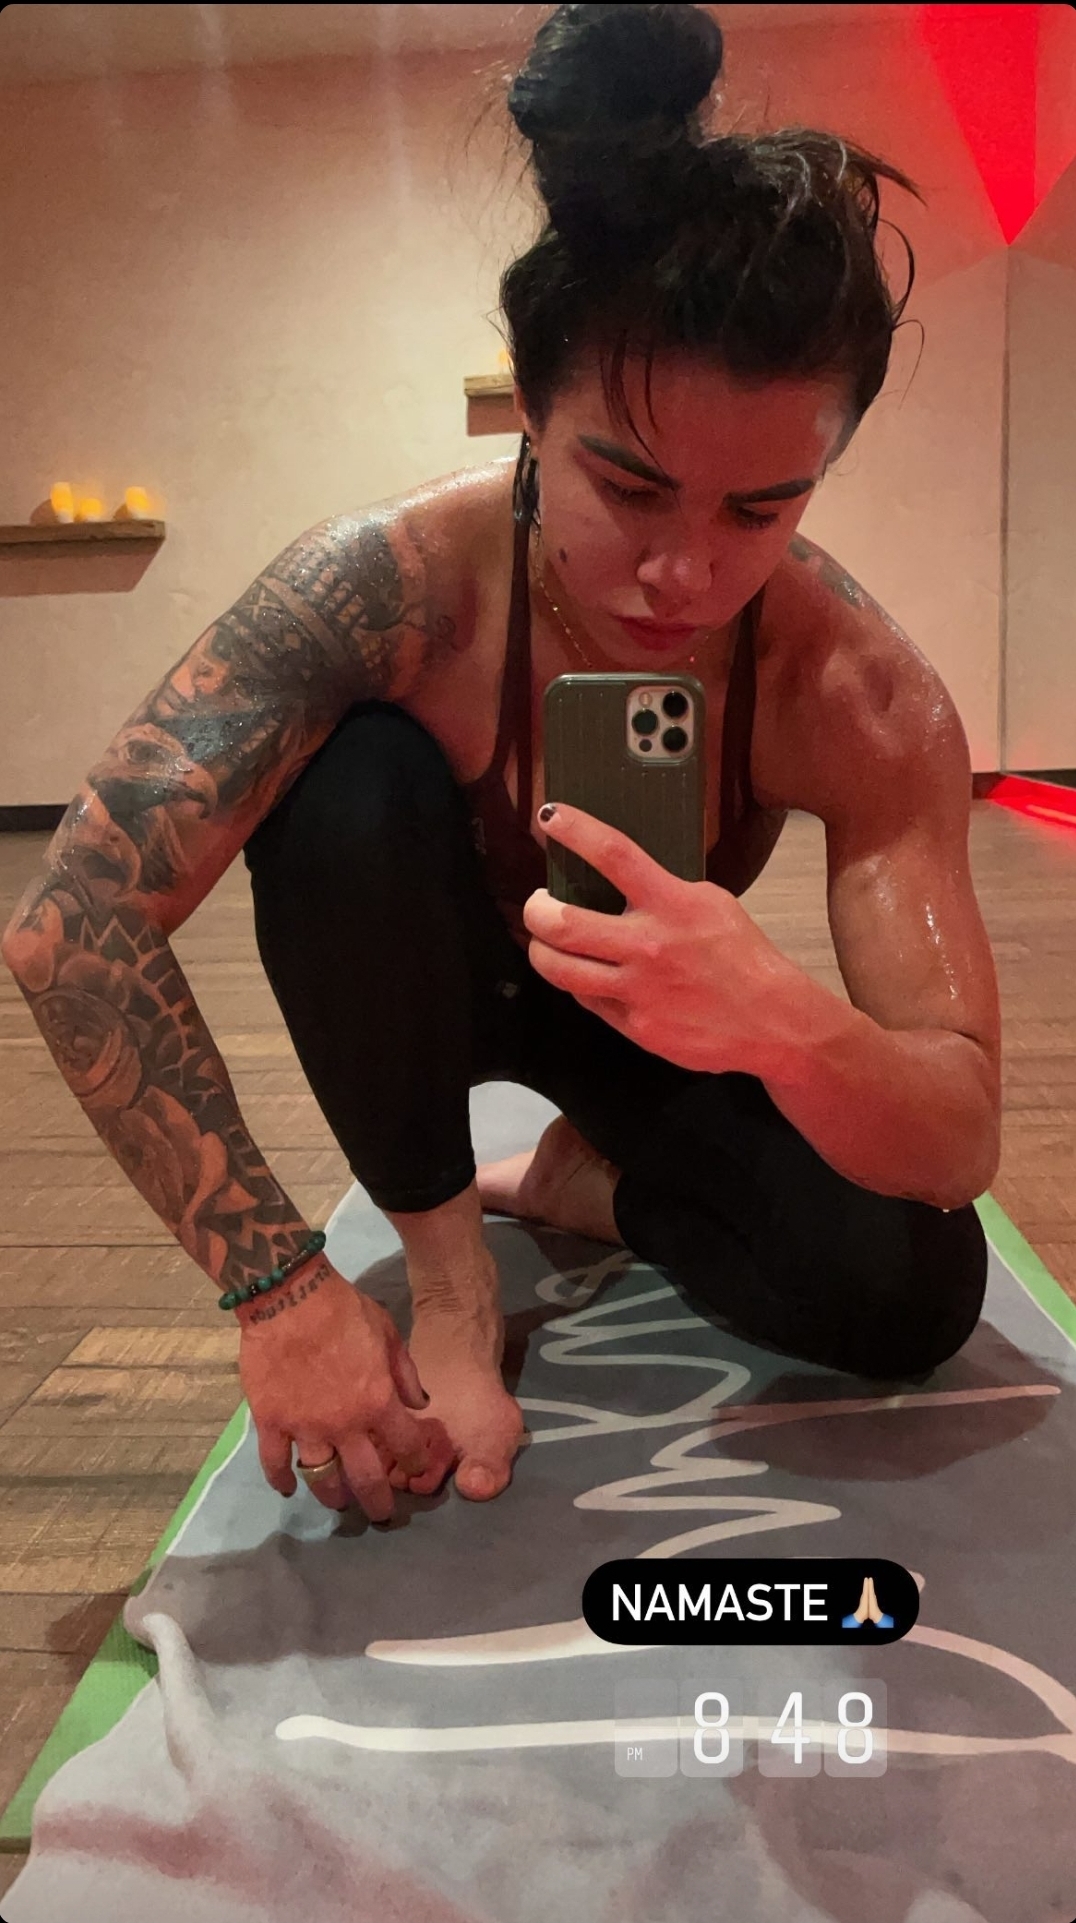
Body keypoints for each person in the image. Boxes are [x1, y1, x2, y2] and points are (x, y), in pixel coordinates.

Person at [1, 3, 1001, 1530]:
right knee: (348, 785)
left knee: (913, 1283)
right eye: (630, 486)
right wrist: (280, 1289)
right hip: (402, 981)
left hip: (641, 1011)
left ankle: (575, 1182)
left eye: (759, 510)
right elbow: (69, 920)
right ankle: (457, 1272)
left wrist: (785, 1021)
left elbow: (958, 1131)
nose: (683, 573)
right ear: (532, 408)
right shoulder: (385, 588)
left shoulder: (860, 693)